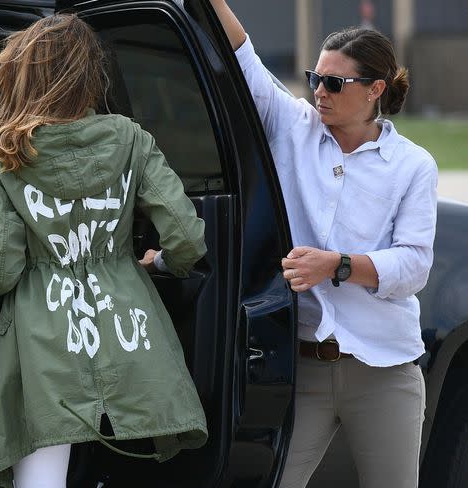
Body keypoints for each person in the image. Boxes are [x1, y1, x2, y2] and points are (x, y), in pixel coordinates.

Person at [0, 14, 208, 488]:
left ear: (21, 74)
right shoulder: (130, 138)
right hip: (130, 332)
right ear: (89, 74)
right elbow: (187, 241)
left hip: (44, 345)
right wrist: (160, 262)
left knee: (42, 477)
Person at [209, 2, 437, 488]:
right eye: (315, 76)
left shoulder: (413, 165)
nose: (318, 91)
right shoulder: (293, 126)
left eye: (334, 83)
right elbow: (241, 51)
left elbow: (414, 266)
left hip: (384, 369)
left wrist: (336, 265)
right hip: (303, 366)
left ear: (375, 90)